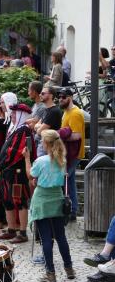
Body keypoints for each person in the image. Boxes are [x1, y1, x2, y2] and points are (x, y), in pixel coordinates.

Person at [24, 130, 74, 282]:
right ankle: (69, 269)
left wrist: (26, 159)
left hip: (42, 200)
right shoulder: (62, 160)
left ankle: (50, 274)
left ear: (46, 143)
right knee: (61, 237)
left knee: (46, 239)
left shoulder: (40, 161)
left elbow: (30, 175)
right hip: (57, 199)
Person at [0, 101, 35, 244]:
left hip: (18, 173)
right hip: (9, 172)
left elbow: (14, 153)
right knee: (7, 200)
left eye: (14, 113)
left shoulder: (24, 130)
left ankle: (22, 232)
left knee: (20, 201)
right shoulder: (17, 129)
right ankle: (11, 230)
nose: (11, 115)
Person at [57, 88, 84, 222]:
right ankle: (72, 212)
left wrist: (59, 135)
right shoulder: (66, 112)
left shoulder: (75, 113)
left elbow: (76, 136)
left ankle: (66, 212)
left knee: (62, 181)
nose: (60, 99)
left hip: (74, 154)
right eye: (59, 97)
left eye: (63, 97)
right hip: (69, 154)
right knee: (70, 182)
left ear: (70, 97)